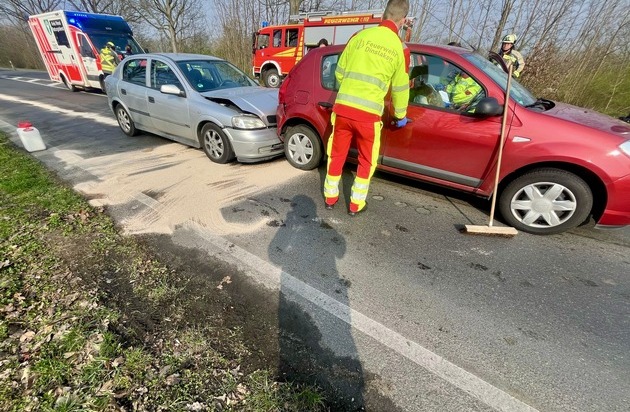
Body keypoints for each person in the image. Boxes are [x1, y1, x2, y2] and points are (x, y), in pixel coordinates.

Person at [323, 0, 410, 216]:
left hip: (342, 110)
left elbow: (339, 72)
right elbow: (400, 87)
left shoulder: (359, 37)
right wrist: (401, 114)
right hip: (368, 117)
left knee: (337, 154)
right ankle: (355, 205)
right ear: (403, 21)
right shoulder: (400, 49)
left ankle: (330, 198)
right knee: (367, 160)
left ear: (383, 14)